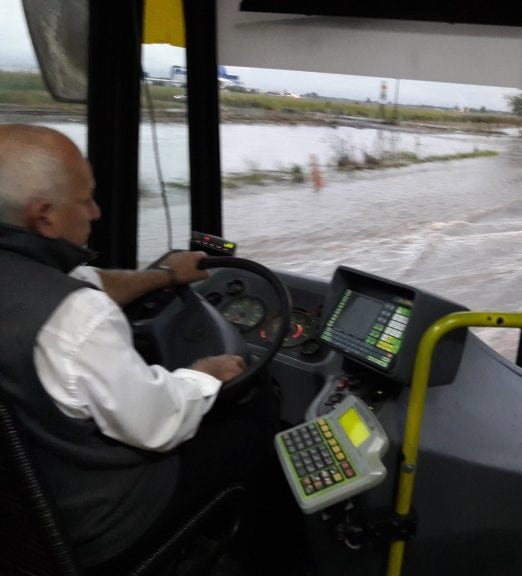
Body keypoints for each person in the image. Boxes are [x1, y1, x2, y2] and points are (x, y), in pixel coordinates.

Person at [0, 124, 303, 573]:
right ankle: (273, 560)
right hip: (97, 529)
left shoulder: (40, 288)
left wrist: (164, 276)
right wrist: (204, 373)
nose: (98, 212)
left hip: (17, 526)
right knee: (253, 413)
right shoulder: (75, 317)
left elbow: (88, 283)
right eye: (86, 200)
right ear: (44, 216)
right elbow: (157, 424)